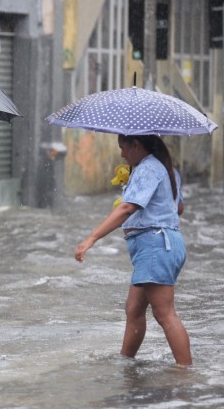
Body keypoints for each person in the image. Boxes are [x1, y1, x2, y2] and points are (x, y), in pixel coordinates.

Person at [74, 134, 191, 366]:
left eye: (123, 148)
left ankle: (185, 372)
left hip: (155, 246)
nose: (121, 154)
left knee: (164, 314)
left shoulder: (148, 169)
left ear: (136, 145)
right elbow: (178, 208)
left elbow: (127, 208)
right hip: (162, 244)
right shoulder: (166, 169)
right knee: (134, 310)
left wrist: (91, 238)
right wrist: (132, 185)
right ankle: (126, 363)